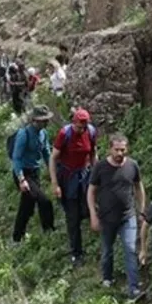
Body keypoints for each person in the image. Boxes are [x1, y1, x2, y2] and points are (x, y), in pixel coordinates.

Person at [88, 134, 146, 300]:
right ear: (110, 149)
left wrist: (142, 209)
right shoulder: (100, 167)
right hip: (106, 218)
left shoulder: (132, 165)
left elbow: (138, 187)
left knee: (130, 249)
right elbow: (91, 191)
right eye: (117, 149)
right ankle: (107, 278)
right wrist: (93, 214)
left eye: (123, 149)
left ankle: (134, 288)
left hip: (128, 216)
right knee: (107, 251)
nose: (120, 153)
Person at [49, 108, 98, 265]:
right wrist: (55, 183)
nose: (81, 130)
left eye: (83, 127)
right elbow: (53, 158)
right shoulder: (65, 134)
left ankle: (95, 236)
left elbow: (93, 153)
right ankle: (76, 253)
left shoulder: (90, 132)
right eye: (78, 127)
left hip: (84, 175)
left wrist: (97, 174)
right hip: (67, 177)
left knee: (87, 209)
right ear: (73, 123)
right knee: (73, 217)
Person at [11, 106, 56, 243]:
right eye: (43, 121)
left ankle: (17, 238)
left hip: (35, 172)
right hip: (23, 173)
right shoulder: (23, 134)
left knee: (27, 206)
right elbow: (16, 157)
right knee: (44, 201)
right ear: (35, 120)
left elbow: (47, 153)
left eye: (47, 120)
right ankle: (49, 230)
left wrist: (52, 171)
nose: (46, 123)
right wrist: (22, 179)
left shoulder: (43, 133)